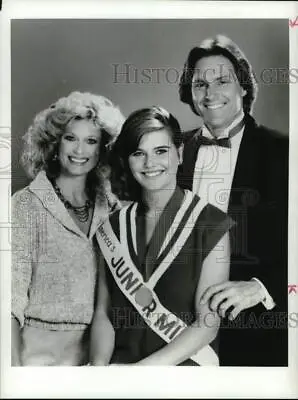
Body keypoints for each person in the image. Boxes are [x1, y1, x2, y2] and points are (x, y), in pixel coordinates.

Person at [90, 106, 234, 366]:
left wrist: (140, 373)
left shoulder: (212, 224)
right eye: (138, 153)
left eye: (161, 151)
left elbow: (208, 325)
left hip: (184, 379)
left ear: (179, 154)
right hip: (119, 377)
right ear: (127, 160)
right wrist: (99, 373)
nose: (149, 163)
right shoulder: (112, 227)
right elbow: (104, 313)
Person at [178, 34, 289, 366]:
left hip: (256, 334)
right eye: (200, 84)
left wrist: (262, 288)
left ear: (244, 87)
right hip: (174, 328)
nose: (210, 94)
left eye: (222, 81)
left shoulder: (284, 152)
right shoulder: (170, 151)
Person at [11, 91, 125, 366]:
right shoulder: (26, 204)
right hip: (37, 357)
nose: (79, 151)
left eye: (91, 141)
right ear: (54, 143)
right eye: (70, 138)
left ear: (103, 148)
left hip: (101, 356)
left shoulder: (113, 208)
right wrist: (13, 374)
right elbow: (8, 303)